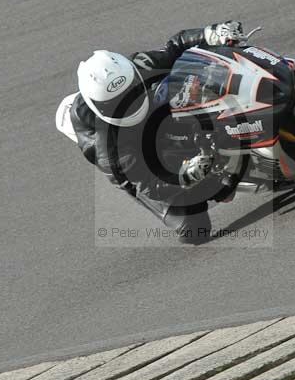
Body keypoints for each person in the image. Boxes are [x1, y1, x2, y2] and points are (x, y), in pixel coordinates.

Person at [70, 21, 245, 244]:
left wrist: (211, 33)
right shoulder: (105, 147)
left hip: (156, 111)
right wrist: (184, 175)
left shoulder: (137, 67)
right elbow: (145, 184)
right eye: (116, 102)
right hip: (134, 152)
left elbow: (175, 47)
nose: (127, 104)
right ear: (99, 106)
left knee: (195, 86)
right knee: (194, 230)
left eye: (130, 92)